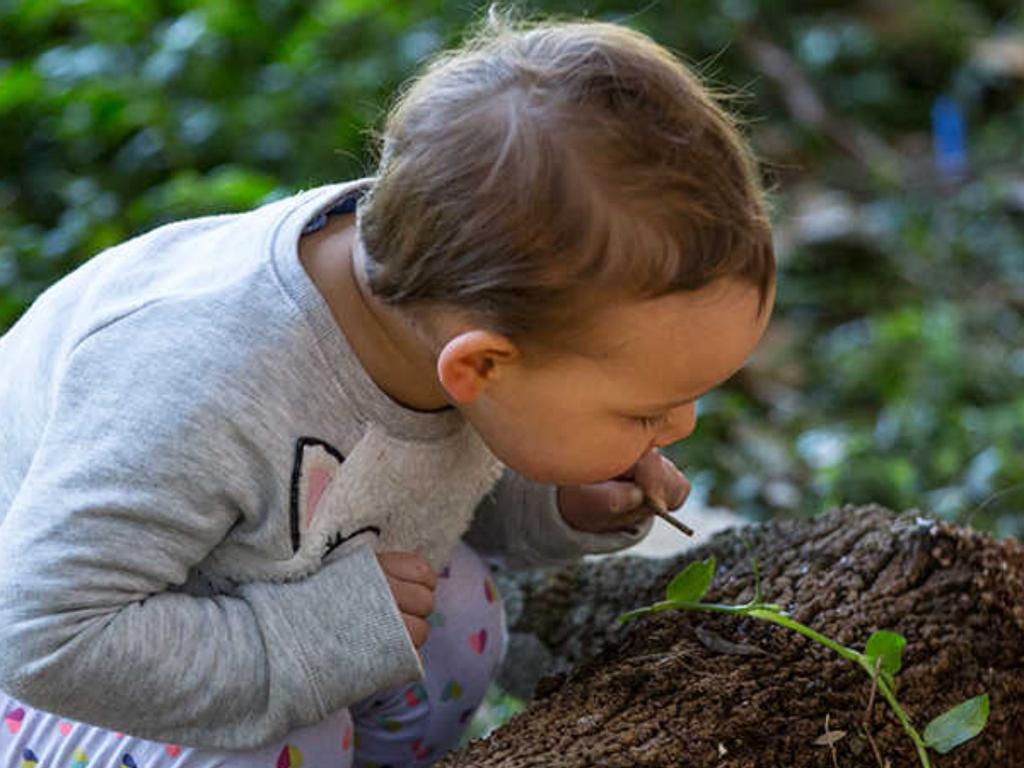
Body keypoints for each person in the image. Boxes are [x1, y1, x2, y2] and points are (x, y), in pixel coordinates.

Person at [0, 11, 775, 768]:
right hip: (55, 663)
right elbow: (38, 635)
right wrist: (308, 643)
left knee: (453, 612)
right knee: (292, 742)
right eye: (644, 409)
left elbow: (397, 475)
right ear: (480, 367)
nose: (681, 424)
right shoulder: (198, 389)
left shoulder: (454, 289)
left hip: (236, 581)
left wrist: (560, 501)